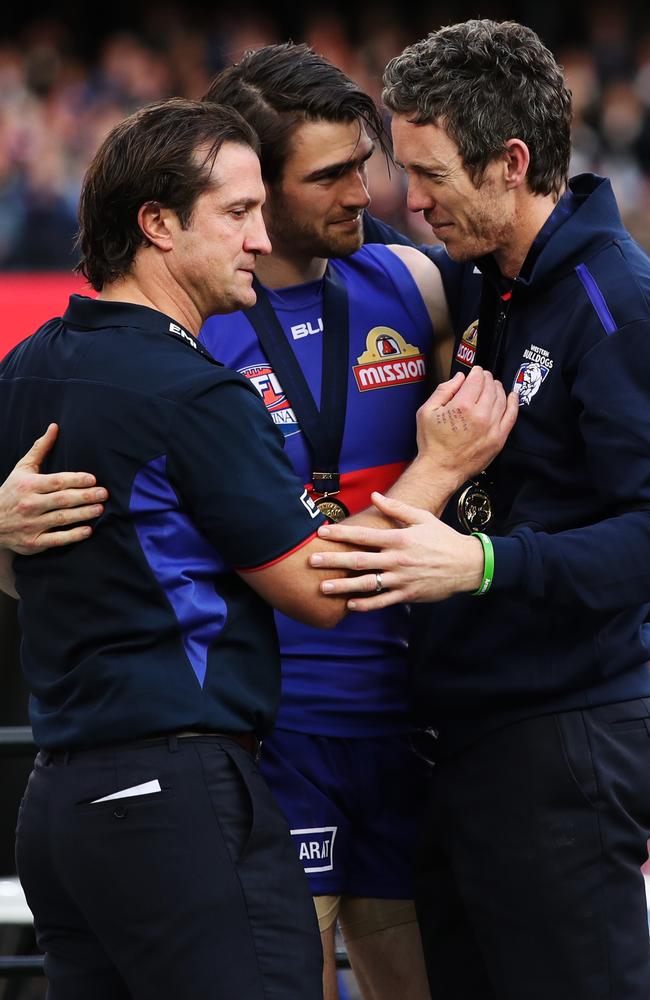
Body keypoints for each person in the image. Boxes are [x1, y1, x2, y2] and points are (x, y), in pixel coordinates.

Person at [0, 95, 514, 1000]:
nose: (256, 236)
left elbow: (27, 566)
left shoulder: (30, 362)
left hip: (62, 800)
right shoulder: (196, 390)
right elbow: (319, 590)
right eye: (238, 213)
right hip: (189, 784)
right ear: (157, 224)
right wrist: (436, 470)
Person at [310, 19, 650, 1000]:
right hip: (457, 744)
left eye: (427, 176)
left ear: (509, 163)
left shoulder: (612, 304)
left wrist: (484, 564)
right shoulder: (479, 281)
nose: (405, 203)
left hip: (561, 741)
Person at [198, 43, 449, 1000]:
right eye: (332, 173)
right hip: (268, 739)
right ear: (257, 187)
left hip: (413, 732)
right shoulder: (190, 319)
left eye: (365, 161)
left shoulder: (416, 286)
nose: (367, 191)